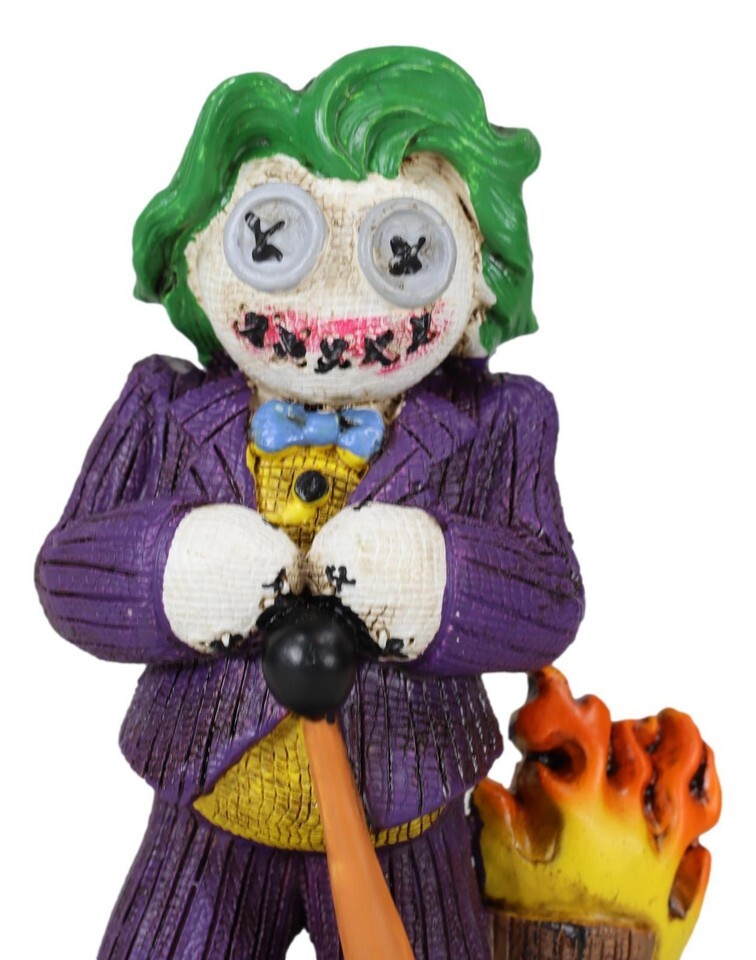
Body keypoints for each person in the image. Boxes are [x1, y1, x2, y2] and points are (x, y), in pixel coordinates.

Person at [36, 47, 584, 960]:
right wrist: (175, 571)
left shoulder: (500, 423)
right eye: (274, 241)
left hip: (402, 809)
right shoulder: (164, 407)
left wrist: (431, 579)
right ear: (195, 254)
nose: (337, 301)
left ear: (482, 281)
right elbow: (69, 569)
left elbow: (550, 596)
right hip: (209, 808)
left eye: (405, 252)